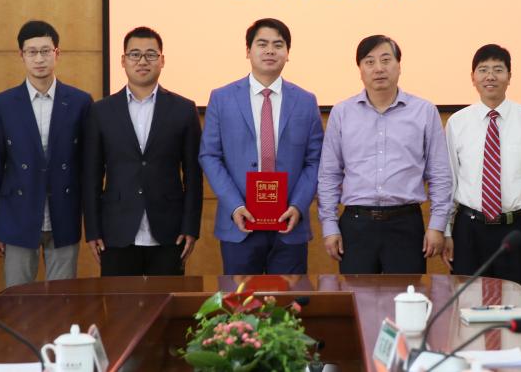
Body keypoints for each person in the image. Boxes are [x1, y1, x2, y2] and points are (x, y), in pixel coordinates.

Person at [317, 35, 452, 274]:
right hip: (356, 225)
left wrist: (437, 225)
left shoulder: (424, 111)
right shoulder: (342, 113)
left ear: (399, 66)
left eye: (386, 60)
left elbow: (439, 173)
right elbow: (329, 174)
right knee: (357, 295)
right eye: (369, 62)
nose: (378, 68)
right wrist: (329, 225)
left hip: (405, 224)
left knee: (406, 295)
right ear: (360, 70)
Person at [200, 18, 323, 275]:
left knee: (290, 299)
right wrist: (235, 205)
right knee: (240, 299)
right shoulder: (222, 98)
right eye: (262, 44)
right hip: (239, 223)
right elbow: (210, 156)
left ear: (287, 53)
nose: (270, 51)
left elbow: (315, 160)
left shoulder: (305, 101)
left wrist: (298, 206)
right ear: (248, 51)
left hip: (289, 224)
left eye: (278, 45)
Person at [81, 27, 202, 276]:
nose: (142, 61)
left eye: (151, 54)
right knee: (118, 301)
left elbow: (193, 175)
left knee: (168, 300)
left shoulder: (183, 109)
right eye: (135, 54)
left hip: (170, 232)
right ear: (123, 60)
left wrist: (191, 227)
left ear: (162, 60)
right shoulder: (101, 111)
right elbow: (91, 175)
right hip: (116, 232)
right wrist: (92, 230)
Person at [0, 20, 93, 287]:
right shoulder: (2, 104)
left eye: (45, 51)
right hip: (17, 216)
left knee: (63, 299)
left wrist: (91, 223)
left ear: (57, 53)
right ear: (21, 55)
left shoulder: (80, 102)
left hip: (64, 214)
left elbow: (88, 168)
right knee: (18, 300)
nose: (39, 59)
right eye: (32, 52)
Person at [442, 44, 521, 291]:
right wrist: (447, 231)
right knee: (468, 303)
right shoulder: (457, 123)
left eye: (498, 70)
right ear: (473, 77)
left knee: (517, 301)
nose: (490, 76)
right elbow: (450, 181)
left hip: (515, 230)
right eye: (483, 70)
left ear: (509, 76)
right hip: (469, 230)